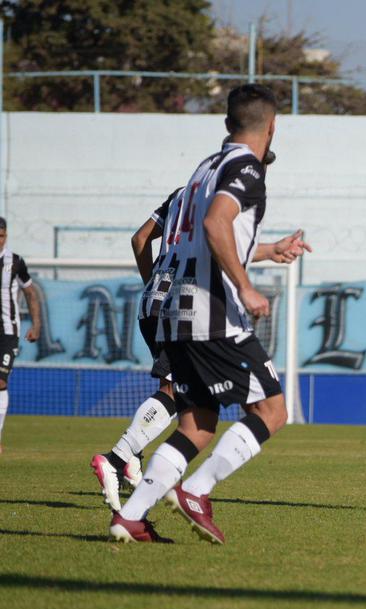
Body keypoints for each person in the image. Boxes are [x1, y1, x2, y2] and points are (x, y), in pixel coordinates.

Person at [109, 83, 296, 543]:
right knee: (273, 410)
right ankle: (196, 489)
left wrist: (268, 251)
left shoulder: (202, 169)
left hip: (171, 312)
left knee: (198, 422)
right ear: (272, 127)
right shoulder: (247, 168)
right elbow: (216, 226)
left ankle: (130, 516)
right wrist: (248, 287)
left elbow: (203, 238)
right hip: (212, 315)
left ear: (227, 123)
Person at [90, 157, 309, 511]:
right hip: (189, 304)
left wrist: (153, 284)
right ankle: (118, 457)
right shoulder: (224, 197)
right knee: (180, 393)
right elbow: (221, 243)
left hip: (156, 301)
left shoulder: (181, 195)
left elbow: (140, 238)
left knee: (181, 396)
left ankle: (131, 465)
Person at [0, 217, 41, 455]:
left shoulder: (15, 262)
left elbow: (31, 294)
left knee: (1, 381)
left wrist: (36, 325)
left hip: (8, 331)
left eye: (2, 236)